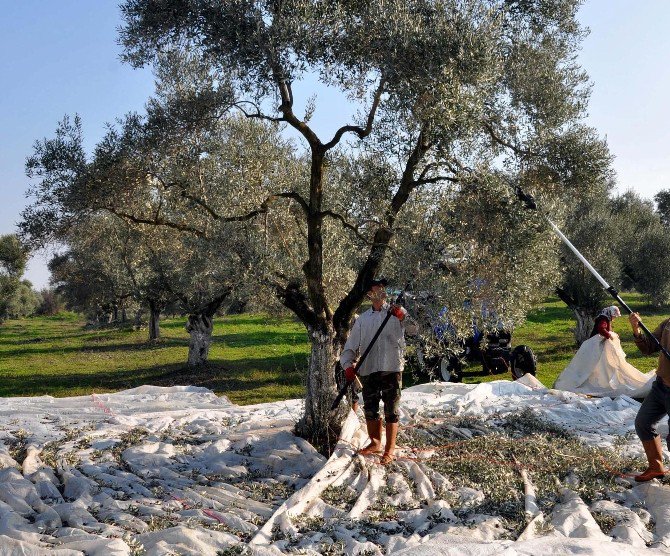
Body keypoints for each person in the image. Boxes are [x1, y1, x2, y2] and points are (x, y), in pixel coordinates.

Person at [339, 277, 409, 465]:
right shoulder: (363, 320)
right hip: (368, 369)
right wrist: (347, 365)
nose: (381, 292)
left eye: (383, 289)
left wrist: (403, 317)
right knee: (370, 408)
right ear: (370, 294)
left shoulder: (397, 313)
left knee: (391, 409)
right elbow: (351, 346)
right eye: (376, 289)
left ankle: (390, 449)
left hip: (391, 368)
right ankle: (375, 443)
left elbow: (414, 330)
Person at [553, 306, 655, 398]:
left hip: (596, 344)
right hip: (594, 345)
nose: (614, 318)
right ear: (610, 314)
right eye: (614, 316)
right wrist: (609, 336)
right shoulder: (603, 319)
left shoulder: (604, 318)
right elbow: (601, 329)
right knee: (593, 364)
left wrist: (612, 334)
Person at [630, 311, 670, 482]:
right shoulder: (667, 324)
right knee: (643, 422)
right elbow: (648, 348)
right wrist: (636, 328)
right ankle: (656, 467)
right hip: (660, 387)